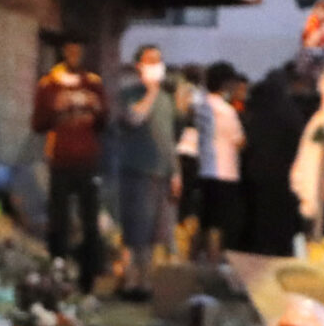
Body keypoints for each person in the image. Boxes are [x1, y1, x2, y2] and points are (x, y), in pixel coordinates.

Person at [32, 36, 109, 291]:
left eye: (79, 50)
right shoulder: (49, 84)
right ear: (63, 52)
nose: (74, 54)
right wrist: (56, 108)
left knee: (89, 221)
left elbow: (103, 122)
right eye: (70, 50)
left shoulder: (93, 83)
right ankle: (57, 274)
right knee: (59, 221)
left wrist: (95, 107)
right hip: (60, 160)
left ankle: (88, 278)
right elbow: (38, 124)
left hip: (87, 160)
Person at [111, 44, 180, 300]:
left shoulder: (167, 98)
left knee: (154, 234)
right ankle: (129, 282)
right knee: (134, 231)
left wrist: (176, 173)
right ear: (138, 65)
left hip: (161, 174)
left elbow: (169, 138)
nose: (155, 65)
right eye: (150, 60)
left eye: (158, 60)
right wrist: (149, 93)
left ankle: (145, 283)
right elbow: (133, 119)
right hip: (137, 171)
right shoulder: (130, 93)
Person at [239, 62, 310, 257]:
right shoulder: (290, 111)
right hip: (282, 176)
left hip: (256, 175)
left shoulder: (258, 110)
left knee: (259, 224)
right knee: (278, 225)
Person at [197, 64, 247, 261]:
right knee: (220, 223)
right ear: (225, 83)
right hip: (225, 171)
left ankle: (198, 258)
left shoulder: (201, 106)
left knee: (206, 220)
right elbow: (240, 140)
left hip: (205, 169)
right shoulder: (227, 111)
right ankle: (214, 260)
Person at [174, 64, 205, 255]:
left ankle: (185, 222)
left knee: (189, 190)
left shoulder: (194, 92)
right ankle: (182, 223)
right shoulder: (187, 91)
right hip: (186, 148)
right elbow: (184, 114)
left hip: (192, 148)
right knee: (186, 190)